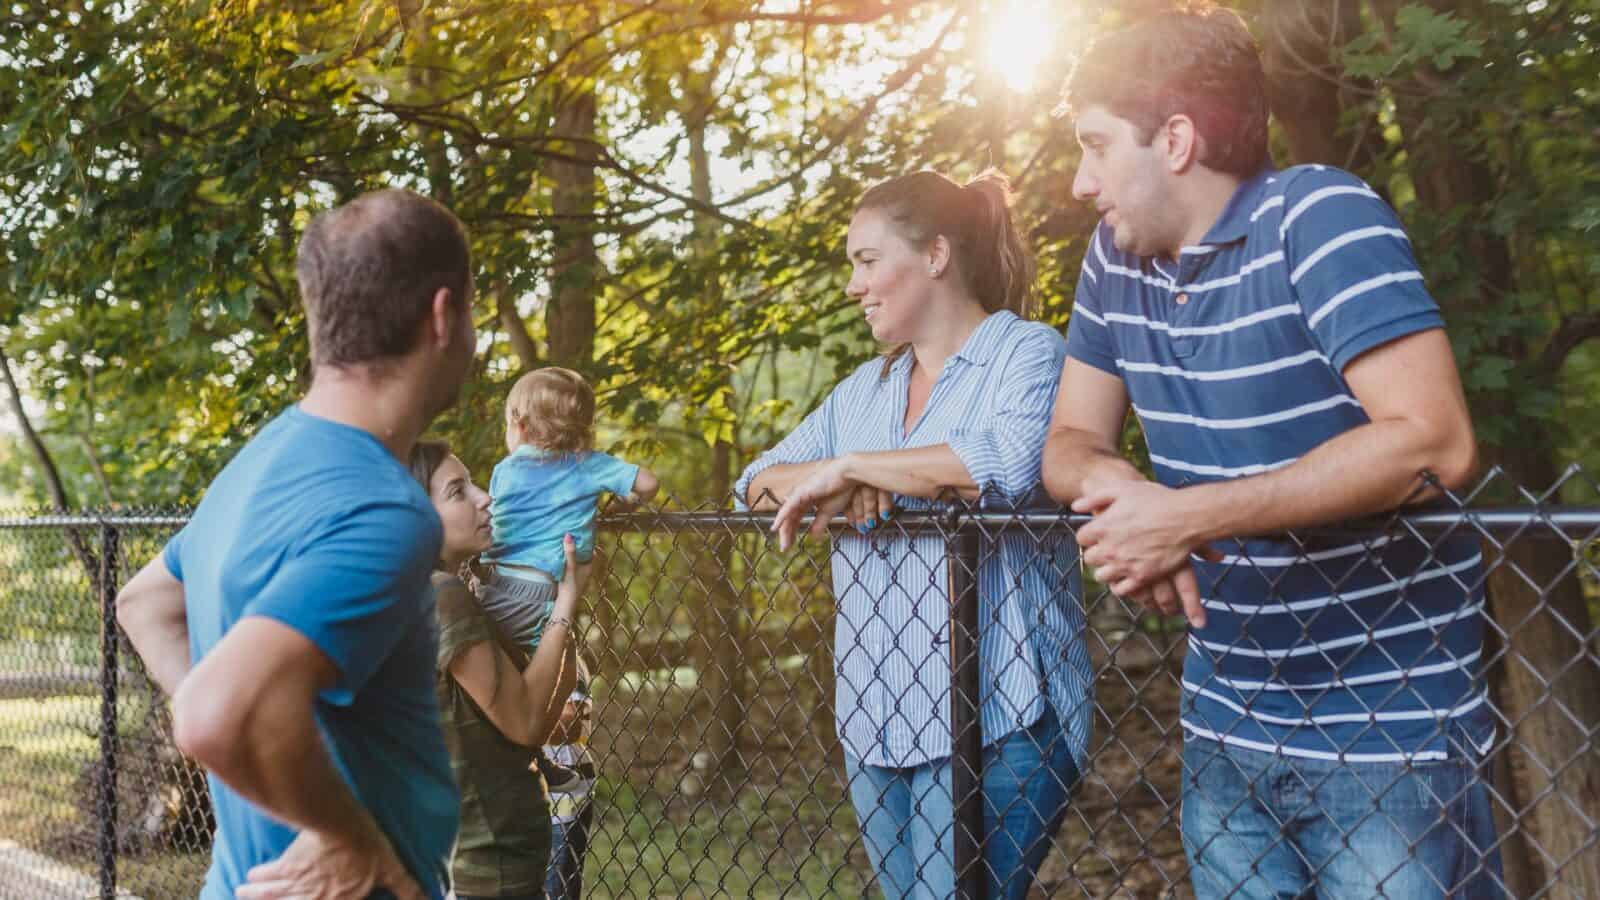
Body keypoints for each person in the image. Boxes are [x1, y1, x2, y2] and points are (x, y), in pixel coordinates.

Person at [1043, 5, 1502, 898]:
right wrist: (1123, 495)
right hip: (1226, 730)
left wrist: (1186, 517)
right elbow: (1068, 440)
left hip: (1387, 737)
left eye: (1097, 147)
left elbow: (1435, 443)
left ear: (1174, 138)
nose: (1079, 183)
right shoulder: (1115, 259)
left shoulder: (1318, 215)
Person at [737, 169, 1091, 900]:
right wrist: (846, 480)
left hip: (1003, 712)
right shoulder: (862, 392)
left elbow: (1004, 463)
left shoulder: (1024, 353)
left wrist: (856, 468)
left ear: (934, 256)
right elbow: (755, 482)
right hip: (876, 716)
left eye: (867, 261)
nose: (852, 284)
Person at [113, 189, 476, 899]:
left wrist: (249, 761)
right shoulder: (388, 508)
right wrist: (351, 840)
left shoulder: (257, 462)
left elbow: (144, 603)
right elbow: (215, 713)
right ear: (443, 315)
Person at [408, 440, 589, 900]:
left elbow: (539, 716)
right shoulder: (441, 595)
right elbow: (527, 721)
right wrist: (566, 605)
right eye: (457, 491)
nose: (484, 496)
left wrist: (551, 601)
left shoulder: (421, 589)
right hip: (484, 861)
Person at [543, 657, 597, 900]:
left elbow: (572, 725)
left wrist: (511, 722)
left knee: (556, 890)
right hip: (515, 789)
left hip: (564, 793)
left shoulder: (563, 653)